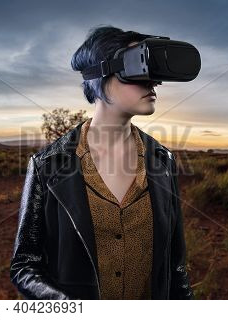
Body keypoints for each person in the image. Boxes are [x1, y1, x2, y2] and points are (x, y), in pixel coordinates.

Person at [10, 25, 194, 300]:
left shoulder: (163, 162)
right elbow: (25, 265)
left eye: (153, 72)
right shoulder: (47, 165)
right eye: (137, 68)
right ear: (99, 74)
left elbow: (175, 268)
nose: (152, 82)